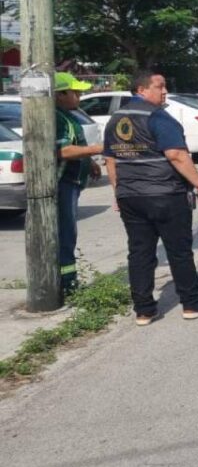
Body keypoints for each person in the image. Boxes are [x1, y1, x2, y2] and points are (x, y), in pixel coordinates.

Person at [102, 71, 198, 325]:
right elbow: (176, 155)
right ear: (142, 90)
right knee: (179, 251)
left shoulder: (116, 119)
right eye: (160, 86)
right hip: (165, 194)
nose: (165, 91)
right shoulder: (158, 116)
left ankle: (144, 310)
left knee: (140, 253)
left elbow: (111, 160)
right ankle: (192, 303)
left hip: (130, 196)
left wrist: (118, 191)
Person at [54, 73, 103, 298]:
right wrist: (97, 149)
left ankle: (68, 280)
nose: (79, 97)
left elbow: (76, 144)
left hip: (73, 184)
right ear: (60, 94)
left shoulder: (69, 115)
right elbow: (62, 150)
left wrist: (89, 161)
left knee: (69, 232)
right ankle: (67, 284)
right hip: (62, 184)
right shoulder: (56, 118)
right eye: (75, 92)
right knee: (65, 234)